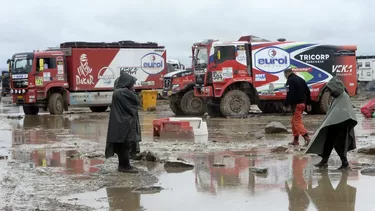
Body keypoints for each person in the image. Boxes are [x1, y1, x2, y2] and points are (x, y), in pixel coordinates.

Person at [305, 77, 357, 170]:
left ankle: (344, 163)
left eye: (331, 89)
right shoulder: (337, 97)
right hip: (334, 123)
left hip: (341, 124)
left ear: (336, 88)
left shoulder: (343, 97)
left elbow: (345, 112)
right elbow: (333, 111)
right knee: (329, 142)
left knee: (338, 143)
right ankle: (324, 161)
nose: (330, 92)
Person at [105, 72, 141, 173]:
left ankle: (124, 165)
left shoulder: (118, 91)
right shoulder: (123, 92)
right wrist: (134, 92)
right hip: (125, 123)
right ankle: (125, 166)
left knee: (122, 144)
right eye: (132, 84)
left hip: (120, 122)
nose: (133, 86)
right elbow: (137, 101)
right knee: (125, 144)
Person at [283, 69, 312, 146]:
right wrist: (308, 103)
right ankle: (296, 140)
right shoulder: (301, 79)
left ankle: (307, 138)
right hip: (302, 104)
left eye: (285, 75)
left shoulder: (289, 81)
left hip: (296, 105)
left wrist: (285, 105)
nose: (285, 77)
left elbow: (289, 94)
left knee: (297, 122)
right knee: (293, 122)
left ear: (287, 74)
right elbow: (308, 92)